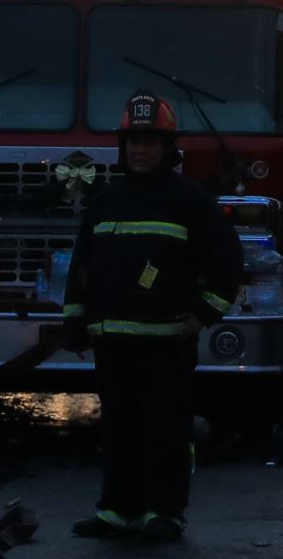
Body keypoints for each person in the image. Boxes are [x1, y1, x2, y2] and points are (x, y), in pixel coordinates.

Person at [62, 90, 243, 543]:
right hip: (112, 342)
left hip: (166, 343)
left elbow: (227, 261)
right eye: (134, 141)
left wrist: (203, 314)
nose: (141, 149)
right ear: (123, 146)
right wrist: (74, 318)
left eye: (150, 141)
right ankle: (117, 511)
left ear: (167, 147)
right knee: (117, 428)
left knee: (166, 431)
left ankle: (165, 513)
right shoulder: (106, 200)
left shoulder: (189, 200)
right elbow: (81, 265)